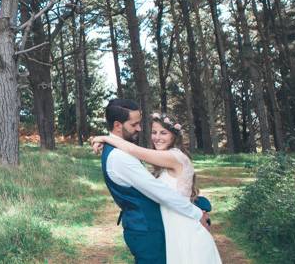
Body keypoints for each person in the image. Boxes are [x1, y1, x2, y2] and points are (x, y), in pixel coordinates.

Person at [92, 100, 222, 264]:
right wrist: (106, 140)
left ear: (174, 135)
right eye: (135, 124)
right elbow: (161, 192)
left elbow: (137, 153)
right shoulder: (121, 156)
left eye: (163, 133)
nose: (141, 129)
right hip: (163, 229)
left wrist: (104, 138)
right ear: (118, 125)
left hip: (182, 227)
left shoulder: (173, 157)